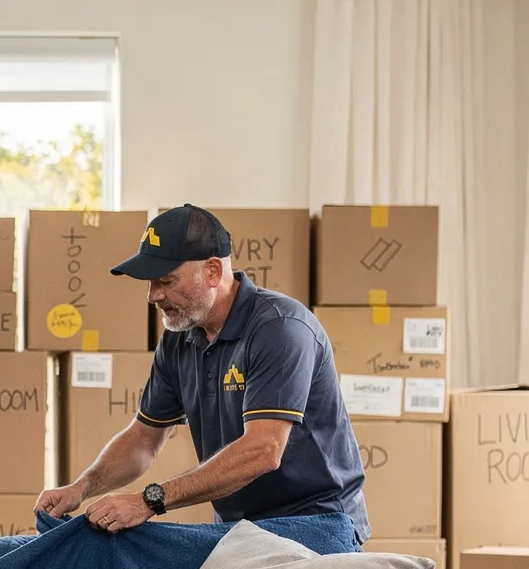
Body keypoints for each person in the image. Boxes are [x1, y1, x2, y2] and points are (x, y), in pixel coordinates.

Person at [36, 204, 369, 540]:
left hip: (318, 523)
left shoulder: (279, 329)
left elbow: (263, 450)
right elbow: (142, 439)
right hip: (241, 530)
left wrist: (149, 501)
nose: (154, 296)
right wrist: (82, 487)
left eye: (166, 280)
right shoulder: (178, 340)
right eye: (151, 283)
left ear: (212, 271)